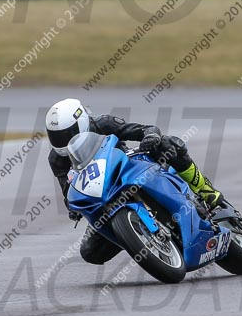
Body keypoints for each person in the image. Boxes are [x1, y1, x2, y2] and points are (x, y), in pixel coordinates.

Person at [45, 98, 228, 265]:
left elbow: (143, 130)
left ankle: (205, 190)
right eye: (57, 136)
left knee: (169, 145)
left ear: (82, 122)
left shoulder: (103, 124)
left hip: (131, 168)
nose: (63, 140)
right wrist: (74, 208)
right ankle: (135, 234)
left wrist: (150, 136)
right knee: (90, 252)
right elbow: (67, 191)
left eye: (67, 133)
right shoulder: (57, 159)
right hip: (102, 198)